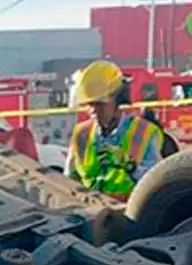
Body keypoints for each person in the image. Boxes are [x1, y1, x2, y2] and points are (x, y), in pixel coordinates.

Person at [64, 60, 165, 200]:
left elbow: (157, 181)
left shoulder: (144, 132)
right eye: (89, 105)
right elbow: (69, 179)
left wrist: (129, 166)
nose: (93, 111)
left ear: (118, 100)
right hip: (92, 213)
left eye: (100, 105)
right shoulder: (81, 134)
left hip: (130, 213)